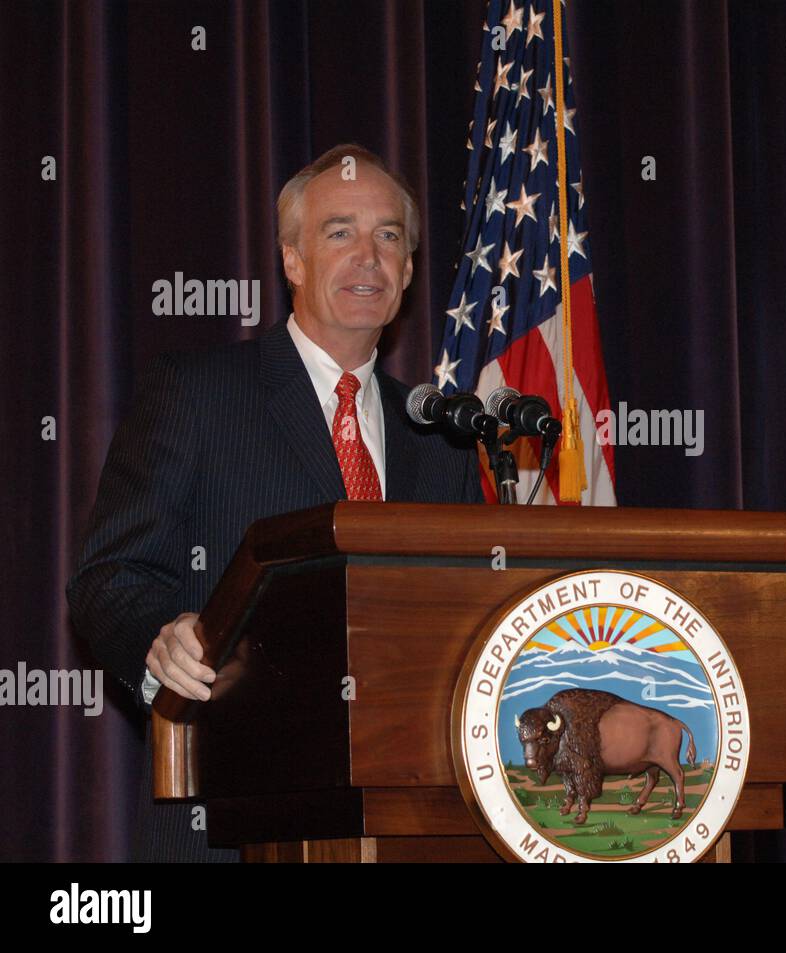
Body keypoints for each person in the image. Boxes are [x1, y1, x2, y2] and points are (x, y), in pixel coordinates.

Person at [66, 144, 483, 862]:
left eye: (389, 236)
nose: (368, 256)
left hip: (406, 820)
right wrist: (156, 640)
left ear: (410, 271)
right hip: (232, 817)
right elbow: (110, 574)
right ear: (291, 260)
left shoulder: (440, 436)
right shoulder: (196, 393)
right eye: (339, 232)